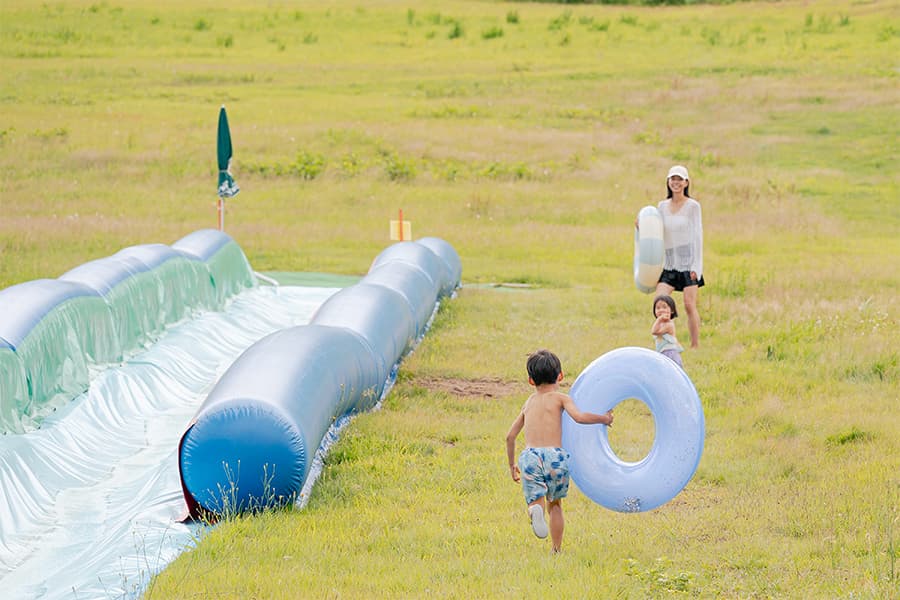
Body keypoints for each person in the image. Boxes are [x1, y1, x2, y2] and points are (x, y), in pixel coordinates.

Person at [505, 349, 613, 554]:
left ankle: (534, 510)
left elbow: (510, 436)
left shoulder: (528, 403)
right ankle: (556, 549)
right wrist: (604, 419)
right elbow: (579, 417)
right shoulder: (561, 399)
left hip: (531, 457)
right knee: (555, 505)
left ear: (530, 381)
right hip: (555, 457)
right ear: (560, 375)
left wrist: (512, 465)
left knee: (536, 501)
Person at [656, 165, 704, 349]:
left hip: (687, 262)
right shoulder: (662, 206)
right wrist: (641, 224)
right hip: (669, 262)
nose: (676, 183)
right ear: (668, 182)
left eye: (679, 179)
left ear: (686, 182)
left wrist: (696, 268)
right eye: (672, 179)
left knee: (689, 305)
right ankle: (669, 340)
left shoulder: (693, 206)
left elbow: (698, 236)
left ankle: (695, 345)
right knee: (660, 301)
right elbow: (655, 230)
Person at [651, 294, 684, 369]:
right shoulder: (661, 324)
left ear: (672, 310)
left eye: (664, 307)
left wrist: (658, 319)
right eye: (658, 308)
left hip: (670, 353)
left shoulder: (669, 324)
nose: (661, 310)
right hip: (662, 353)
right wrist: (659, 320)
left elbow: (654, 331)